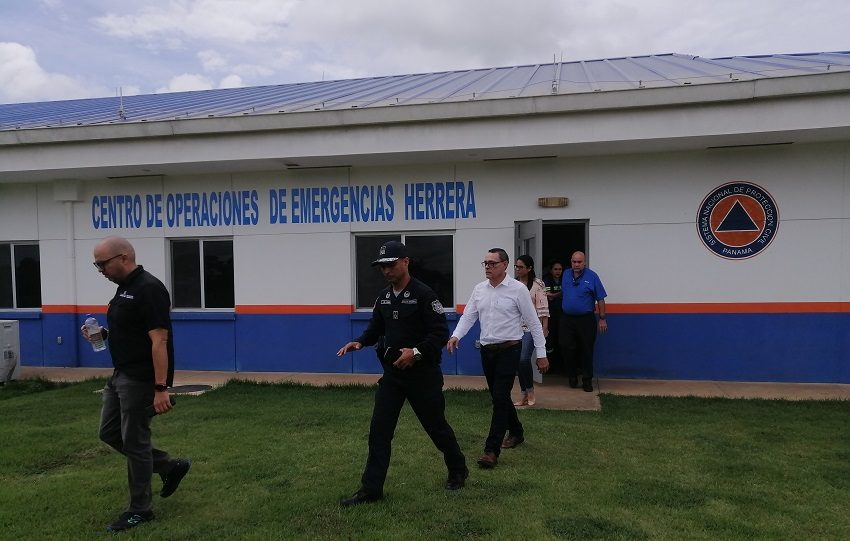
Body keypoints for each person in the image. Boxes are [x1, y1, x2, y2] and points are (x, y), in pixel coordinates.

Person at [336, 240, 467, 507]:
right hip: (393, 377)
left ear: (405, 262)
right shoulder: (383, 297)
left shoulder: (425, 295)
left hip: (423, 376)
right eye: (382, 267)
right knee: (379, 432)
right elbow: (376, 327)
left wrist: (416, 352)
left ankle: (458, 469)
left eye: (391, 265)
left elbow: (439, 333)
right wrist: (360, 341)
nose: (386, 271)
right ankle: (371, 489)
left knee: (436, 428)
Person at [82, 236, 191, 533]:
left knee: (135, 442)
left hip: (141, 379)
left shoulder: (149, 288)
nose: (100, 269)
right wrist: (102, 335)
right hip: (120, 374)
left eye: (102, 263)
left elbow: (159, 340)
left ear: (123, 257)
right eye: (97, 264)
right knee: (108, 432)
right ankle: (169, 466)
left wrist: (160, 388)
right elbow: (131, 331)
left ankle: (140, 510)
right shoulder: (124, 289)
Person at [447, 248, 549, 469]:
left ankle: (490, 450)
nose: (488, 267)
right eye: (485, 263)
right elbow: (469, 316)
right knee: (498, 396)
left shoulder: (518, 290)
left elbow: (533, 322)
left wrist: (540, 353)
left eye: (492, 263)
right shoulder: (479, 290)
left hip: (509, 349)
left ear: (505, 264)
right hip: (487, 350)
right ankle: (517, 432)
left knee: (500, 395)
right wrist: (456, 335)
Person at [560, 251, 608, 392]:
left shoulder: (592, 276)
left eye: (579, 262)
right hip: (567, 319)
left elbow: (600, 298)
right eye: (574, 261)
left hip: (585, 319)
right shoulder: (566, 274)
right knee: (566, 347)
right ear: (571, 262)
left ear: (584, 262)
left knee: (586, 350)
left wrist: (602, 319)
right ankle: (572, 377)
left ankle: (587, 381)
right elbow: (566, 292)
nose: (576, 264)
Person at [512, 255, 549, 407]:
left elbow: (543, 306)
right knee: (518, 362)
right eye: (516, 266)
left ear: (529, 268)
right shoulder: (513, 284)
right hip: (516, 329)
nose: (517, 269)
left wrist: (545, 327)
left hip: (532, 328)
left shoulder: (538, 284)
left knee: (523, 358)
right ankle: (523, 394)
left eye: (520, 267)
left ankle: (530, 391)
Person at [543, 259, 564, 363]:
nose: (558, 271)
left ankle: (560, 363)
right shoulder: (546, 280)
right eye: (555, 269)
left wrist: (554, 295)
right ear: (551, 270)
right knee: (550, 339)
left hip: (563, 314)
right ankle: (550, 364)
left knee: (562, 339)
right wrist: (560, 294)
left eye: (560, 269)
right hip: (550, 315)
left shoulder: (565, 279)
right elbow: (547, 296)